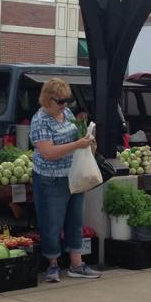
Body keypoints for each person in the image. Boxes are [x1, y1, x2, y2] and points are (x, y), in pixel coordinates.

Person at [30, 77, 99, 283]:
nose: (64, 105)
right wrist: (78, 144)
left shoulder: (67, 114)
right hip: (49, 179)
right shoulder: (39, 120)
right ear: (48, 100)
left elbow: (75, 139)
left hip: (72, 175)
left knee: (75, 220)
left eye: (66, 101)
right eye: (60, 101)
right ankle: (52, 265)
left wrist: (88, 140)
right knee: (51, 222)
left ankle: (76, 264)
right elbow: (48, 152)